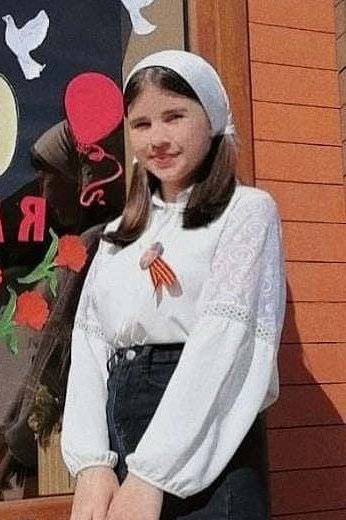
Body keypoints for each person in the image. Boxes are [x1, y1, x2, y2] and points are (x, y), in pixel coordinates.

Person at [61, 49, 286, 520]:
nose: (157, 139)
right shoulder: (117, 235)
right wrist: (91, 463)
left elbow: (224, 344)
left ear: (212, 119)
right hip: (121, 427)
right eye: (141, 124)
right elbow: (89, 342)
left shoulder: (246, 212)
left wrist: (151, 475)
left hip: (203, 433)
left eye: (174, 117)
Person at [0, 119, 125, 501]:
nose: (42, 197)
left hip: (70, 450)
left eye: (47, 180)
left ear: (78, 179)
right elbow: (44, 359)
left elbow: (56, 358)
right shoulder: (86, 243)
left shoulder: (94, 244)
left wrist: (16, 445)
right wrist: (7, 431)